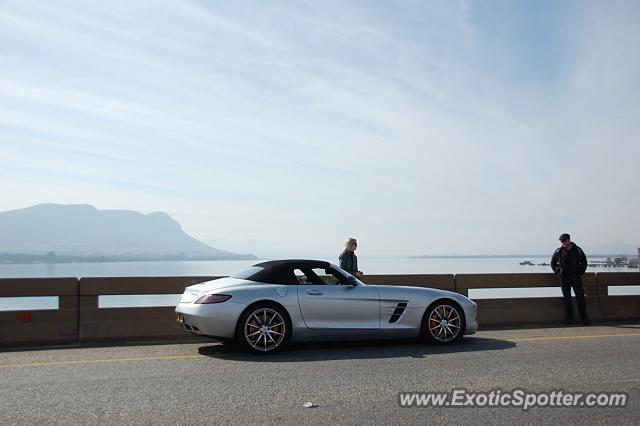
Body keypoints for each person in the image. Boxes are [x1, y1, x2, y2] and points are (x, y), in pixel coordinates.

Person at [550, 233, 589, 325]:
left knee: (580, 298)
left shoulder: (577, 250)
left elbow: (584, 262)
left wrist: (580, 272)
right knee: (567, 299)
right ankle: (569, 318)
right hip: (564, 279)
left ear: (568, 240)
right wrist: (558, 273)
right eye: (561, 241)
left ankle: (584, 318)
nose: (562, 243)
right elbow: (553, 263)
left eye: (564, 241)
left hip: (576, 278)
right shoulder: (558, 251)